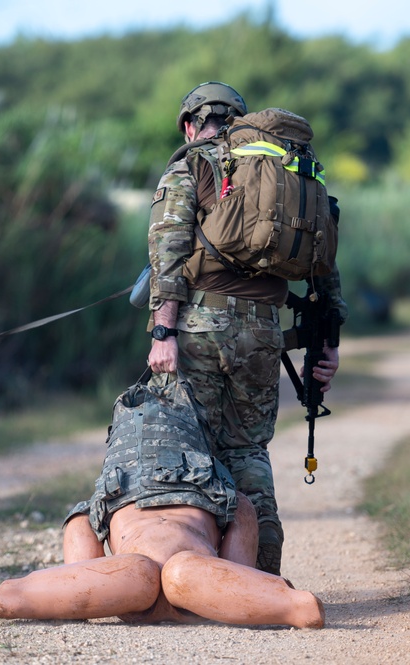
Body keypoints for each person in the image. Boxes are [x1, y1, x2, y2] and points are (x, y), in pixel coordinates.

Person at [145, 81, 346, 576]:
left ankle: (200, 574)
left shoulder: (192, 164)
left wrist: (163, 334)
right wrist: (330, 346)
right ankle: (263, 573)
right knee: (249, 452)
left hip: (199, 328)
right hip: (262, 333)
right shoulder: (283, 171)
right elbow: (325, 266)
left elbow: (167, 253)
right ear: (236, 118)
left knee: (191, 448)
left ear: (191, 124)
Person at [0, 398, 325, 628]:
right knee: (163, 573)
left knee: (154, 573)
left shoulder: (108, 496)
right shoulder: (223, 493)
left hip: (144, 586)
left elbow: (80, 543)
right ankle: (293, 604)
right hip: (185, 585)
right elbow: (239, 548)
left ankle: (17, 594)